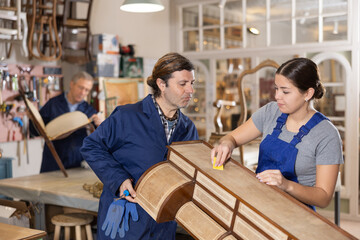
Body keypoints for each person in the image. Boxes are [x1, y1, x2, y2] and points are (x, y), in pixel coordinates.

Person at [80, 52, 199, 240]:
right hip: (126, 222)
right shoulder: (127, 116)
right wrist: (119, 180)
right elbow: (91, 146)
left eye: (192, 83)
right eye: (183, 84)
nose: (190, 90)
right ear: (161, 84)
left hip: (163, 226)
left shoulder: (188, 129)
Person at [212, 58, 343, 209]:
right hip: (260, 205)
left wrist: (286, 185)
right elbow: (232, 137)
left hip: (297, 216)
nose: (277, 96)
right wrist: (227, 144)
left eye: (285, 91)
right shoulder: (271, 112)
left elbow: (324, 198)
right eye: (276, 89)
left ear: (308, 93)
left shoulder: (326, 134)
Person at [31, 71, 103, 173]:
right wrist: (32, 119)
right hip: (53, 163)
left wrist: (100, 125)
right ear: (72, 84)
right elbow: (34, 131)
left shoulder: (89, 110)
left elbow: (100, 140)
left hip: (78, 164)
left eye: (87, 90)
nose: (83, 93)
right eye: (80, 87)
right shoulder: (53, 104)